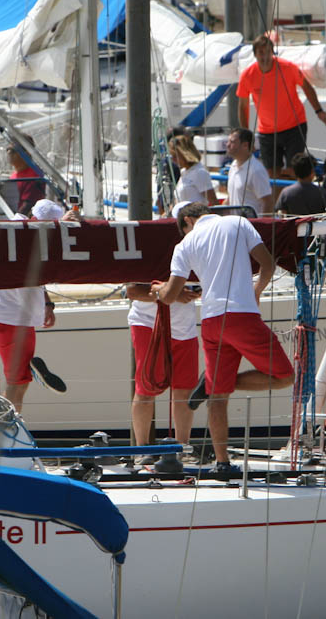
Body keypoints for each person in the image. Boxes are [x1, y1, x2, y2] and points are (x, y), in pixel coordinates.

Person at [154, 202, 294, 476]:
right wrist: (257, 291)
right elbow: (268, 264)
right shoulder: (237, 222)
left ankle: (222, 463)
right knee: (285, 376)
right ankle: (210, 384)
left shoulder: (184, 245)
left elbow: (169, 297)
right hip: (242, 315)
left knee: (218, 396)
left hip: (211, 321)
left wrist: (158, 290)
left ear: (188, 220)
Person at [0, 199, 67, 412]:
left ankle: (26, 368)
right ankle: (7, 425)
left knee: (18, 375)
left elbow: (37, 278)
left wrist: (47, 303)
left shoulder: (10, 232)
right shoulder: (33, 243)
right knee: (18, 382)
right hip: (10, 320)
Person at [125, 276, 200, 458]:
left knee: (184, 390)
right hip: (147, 323)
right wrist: (172, 294)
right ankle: (142, 451)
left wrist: (198, 292)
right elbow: (132, 291)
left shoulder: (192, 258)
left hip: (185, 327)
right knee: (146, 389)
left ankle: (182, 450)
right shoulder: (147, 260)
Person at [237, 34, 326, 178]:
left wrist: (319, 111)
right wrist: (246, 135)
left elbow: (306, 87)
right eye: (261, 52)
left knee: (294, 171)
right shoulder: (247, 76)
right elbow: (243, 106)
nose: (265, 56)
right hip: (267, 131)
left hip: (295, 127)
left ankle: (292, 192)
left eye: (268, 52)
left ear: (273, 52)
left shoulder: (288, 67)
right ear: (255, 55)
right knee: (271, 174)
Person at [224, 128, 273, 216]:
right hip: (235, 222)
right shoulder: (233, 166)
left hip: (252, 223)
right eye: (228, 141)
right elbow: (230, 198)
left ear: (245, 145)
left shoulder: (256, 170)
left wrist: (262, 223)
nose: (228, 145)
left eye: (232, 142)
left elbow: (267, 202)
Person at [169, 134, 218, 205]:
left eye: (175, 156)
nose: (173, 160)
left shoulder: (199, 173)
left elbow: (213, 202)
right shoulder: (184, 172)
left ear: (185, 154)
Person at [6, 133, 45, 216]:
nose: (9, 153)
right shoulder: (14, 175)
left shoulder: (34, 176)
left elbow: (28, 206)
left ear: (27, 153)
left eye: (13, 151)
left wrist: (14, 220)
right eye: (7, 149)